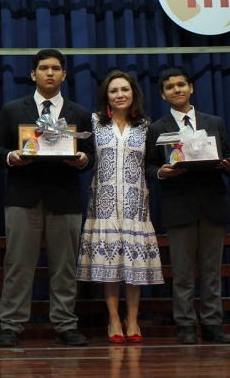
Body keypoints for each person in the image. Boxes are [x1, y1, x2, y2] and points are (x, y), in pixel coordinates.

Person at [0, 48, 94, 347]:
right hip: (23, 197)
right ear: (33, 74)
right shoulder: (12, 109)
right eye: (44, 68)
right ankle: (11, 325)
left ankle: (65, 325)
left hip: (65, 196)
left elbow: (92, 155)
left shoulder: (80, 113)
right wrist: (12, 156)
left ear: (64, 75)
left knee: (64, 265)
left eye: (56, 68)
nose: (50, 73)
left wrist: (82, 160)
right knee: (18, 264)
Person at [146, 67, 230, 345]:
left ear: (191, 88)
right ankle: (185, 325)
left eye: (181, 85)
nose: (177, 90)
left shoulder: (214, 121)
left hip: (213, 203)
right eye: (170, 87)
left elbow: (226, 157)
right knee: (183, 272)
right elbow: (150, 167)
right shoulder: (157, 128)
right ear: (163, 94)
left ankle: (212, 324)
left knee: (212, 271)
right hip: (178, 206)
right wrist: (163, 172)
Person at [76, 70, 164, 343]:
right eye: (114, 91)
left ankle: (133, 319)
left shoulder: (146, 126)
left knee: (133, 266)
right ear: (106, 97)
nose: (120, 95)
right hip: (104, 206)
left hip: (136, 207)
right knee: (110, 265)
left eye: (124, 90)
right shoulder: (95, 124)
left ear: (133, 94)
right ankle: (113, 318)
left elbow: (151, 165)